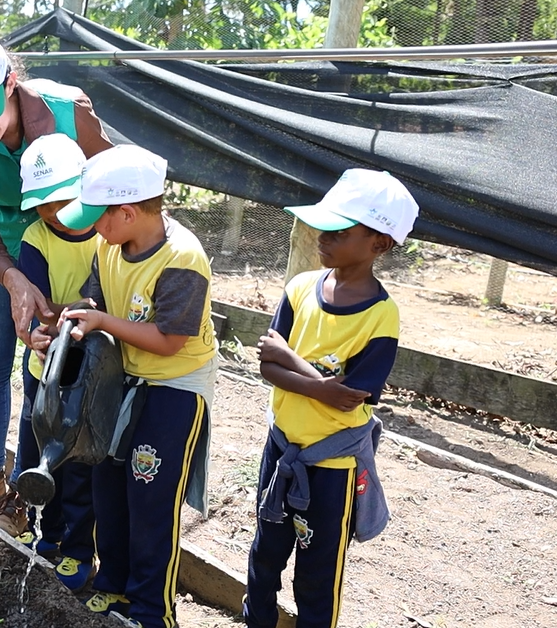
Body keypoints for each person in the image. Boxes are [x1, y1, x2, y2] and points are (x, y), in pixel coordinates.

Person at [0, 30, 113, 512]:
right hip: (6, 248)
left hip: (75, 245)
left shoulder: (69, 112)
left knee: (69, 367)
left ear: (11, 82)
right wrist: (12, 278)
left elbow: (115, 185)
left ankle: (57, 490)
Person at [53, 144, 219, 627]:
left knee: (151, 498)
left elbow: (169, 340)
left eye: (98, 216)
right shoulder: (108, 245)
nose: (91, 227)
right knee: (110, 485)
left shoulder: (182, 259)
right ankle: (113, 583)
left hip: (175, 387)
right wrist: (74, 322)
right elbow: (96, 298)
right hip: (125, 378)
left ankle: (152, 608)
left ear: (127, 211)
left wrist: (103, 319)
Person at [243, 169, 417, 628]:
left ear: (379, 243)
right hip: (281, 448)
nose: (324, 235)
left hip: (332, 467)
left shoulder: (381, 316)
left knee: (317, 574)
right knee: (264, 556)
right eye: (325, 224)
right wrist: (319, 382)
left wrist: (292, 361)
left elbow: (349, 399)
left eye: (341, 229)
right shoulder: (301, 289)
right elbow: (266, 366)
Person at [0, 133, 99, 593]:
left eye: (62, 200)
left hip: (91, 374)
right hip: (46, 373)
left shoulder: (106, 235)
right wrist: (36, 328)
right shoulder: (36, 236)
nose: (53, 212)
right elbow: (35, 304)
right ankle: (48, 537)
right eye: (44, 204)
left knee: (79, 465)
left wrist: (69, 313)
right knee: (42, 461)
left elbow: (109, 296)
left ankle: (77, 549)